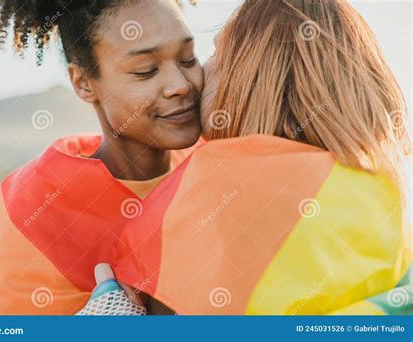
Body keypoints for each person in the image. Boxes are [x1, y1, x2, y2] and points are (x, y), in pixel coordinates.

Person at [103, 0, 411, 314]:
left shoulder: (220, 190)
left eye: (217, 55)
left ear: (255, 79)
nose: (196, 76)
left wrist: (111, 310)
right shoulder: (379, 191)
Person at [0, 0, 204, 314]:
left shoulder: (223, 159)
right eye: (146, 71)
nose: (181, 85)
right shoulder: (36, 203)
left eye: (188, 58)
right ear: (84, 83)